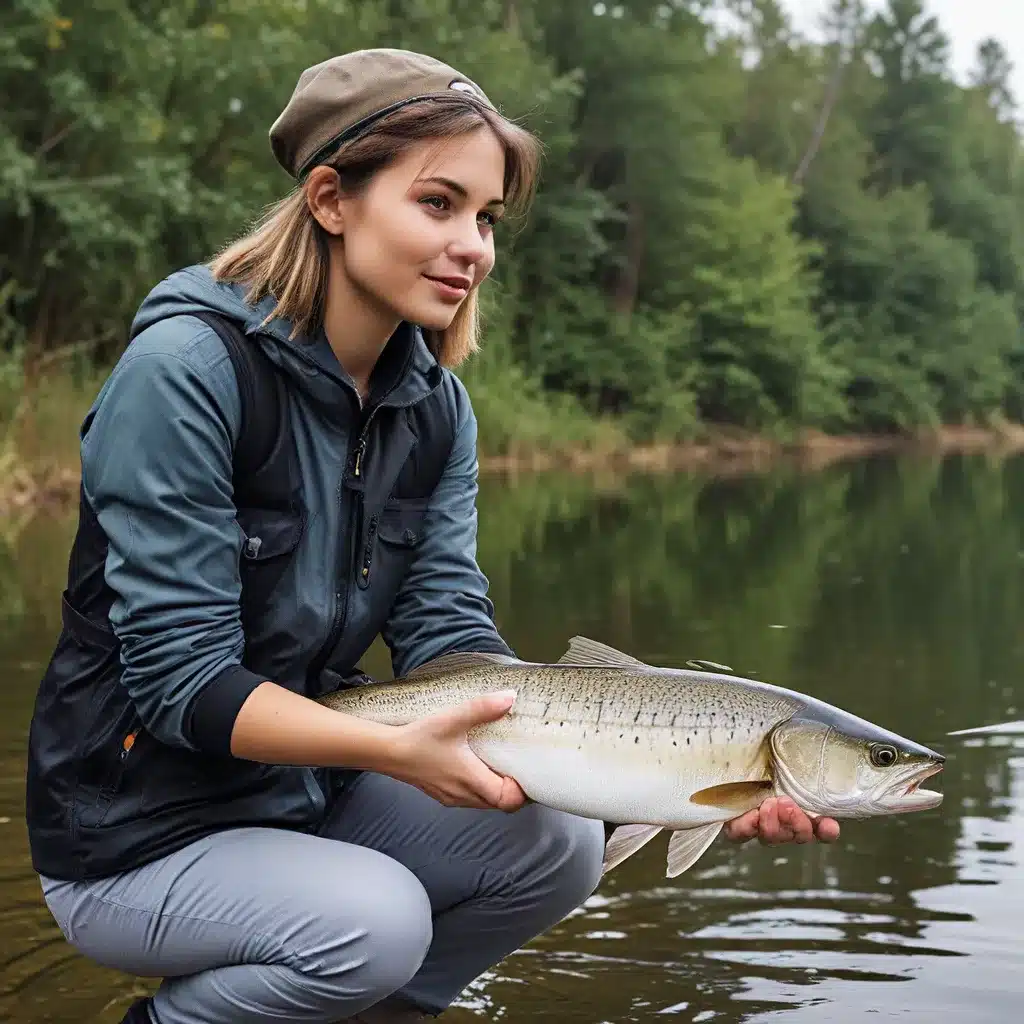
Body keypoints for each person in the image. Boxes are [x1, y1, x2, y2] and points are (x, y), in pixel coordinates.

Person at [23, 48, 840, 1024]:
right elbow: (178, 679)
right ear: (331, 198)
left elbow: (447, 629)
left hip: (300, 792)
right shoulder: (186, 371)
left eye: (487, 218)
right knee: (375, 925)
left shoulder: (435, 409)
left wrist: (693, 782)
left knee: (557, 841)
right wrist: (395, 749)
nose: (476, 246)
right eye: (439, 204)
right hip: (128, 835)